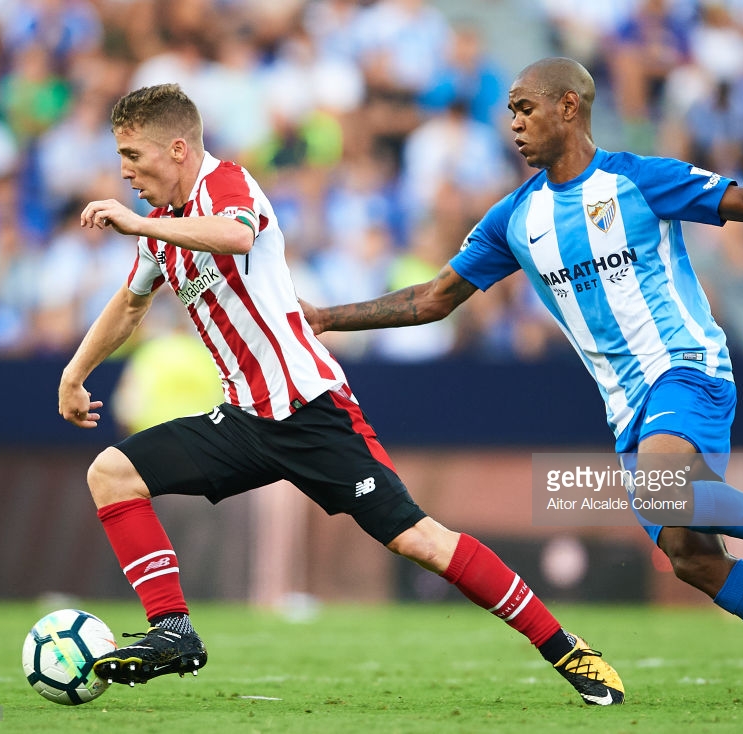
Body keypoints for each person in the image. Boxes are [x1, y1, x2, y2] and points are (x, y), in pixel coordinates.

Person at [301, 57, 743, 706]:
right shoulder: (515, 219)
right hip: (627, 408)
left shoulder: (639, 180)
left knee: (663, 493)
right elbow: (432, 299)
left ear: (568, 107)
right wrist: (326, 317)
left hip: (686, 366)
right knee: (691, 558)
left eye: (524, 109)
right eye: (508, 113)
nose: (514, 125)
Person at [57, 83, 624, 706]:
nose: (125, 171)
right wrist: (74, 374)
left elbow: (238, 236)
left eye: (133, 155)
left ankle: (564, 648)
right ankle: (173, 632)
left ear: (177, 148)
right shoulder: (159, 227)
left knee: (421, 541)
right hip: (245, 417)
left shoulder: (229, 186)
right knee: (112, 474)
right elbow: (131, 305)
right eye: (120, 158)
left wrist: (135, 221)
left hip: (313, 411)